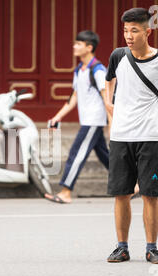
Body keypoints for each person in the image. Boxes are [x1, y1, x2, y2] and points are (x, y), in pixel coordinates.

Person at [105, 8, 158, 264]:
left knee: (150, 193)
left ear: (147, 31)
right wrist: (109, 101)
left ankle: (152, 248)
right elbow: (109, 79)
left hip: (149, 134)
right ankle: (121, 247)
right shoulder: (118, 56)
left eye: (134, 30)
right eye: (126, 30)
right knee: (121, 193)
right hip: (120, 135)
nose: (128, 36)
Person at [44, 30, 111, 204]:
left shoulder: (98, 70)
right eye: (75, 43)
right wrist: (57, 117)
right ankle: (132, 184)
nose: (74, 47)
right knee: (105, 156)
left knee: (76, 154)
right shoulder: (79, 70)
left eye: (78, 44)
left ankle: (66, 191)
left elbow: (107, 98)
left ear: (89, 48)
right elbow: (73, 97)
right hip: (88, 120)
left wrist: (112, 123)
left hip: (94, 121)